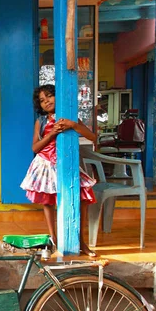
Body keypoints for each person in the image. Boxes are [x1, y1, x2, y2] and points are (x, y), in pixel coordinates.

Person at [20, 84, 98, 257]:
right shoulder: (41, 122)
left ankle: (81, 241)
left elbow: (93, 137)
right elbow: (35, 147)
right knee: (48, 201)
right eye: (42, 100)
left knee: (82, 196)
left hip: (66, 164)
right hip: (45, 163)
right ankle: (54, 239)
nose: (46, 101)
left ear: (58, 97)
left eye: (49, 96)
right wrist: (51, 133)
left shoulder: (70, 118)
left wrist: (73, 125)